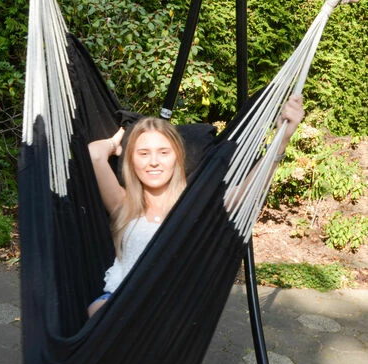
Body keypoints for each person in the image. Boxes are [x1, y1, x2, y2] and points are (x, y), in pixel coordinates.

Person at [87, 95, 305, 317]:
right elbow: (94, 155)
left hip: (166, 314)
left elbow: (245, 194)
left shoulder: (196, 207)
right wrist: (115, 143)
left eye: (163, 152)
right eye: (143, 154)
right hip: (118, 307)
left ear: (177, 156)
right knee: (97, 310)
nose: (153, 162)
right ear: (132, 161)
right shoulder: (124, 204)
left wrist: (282, 140)